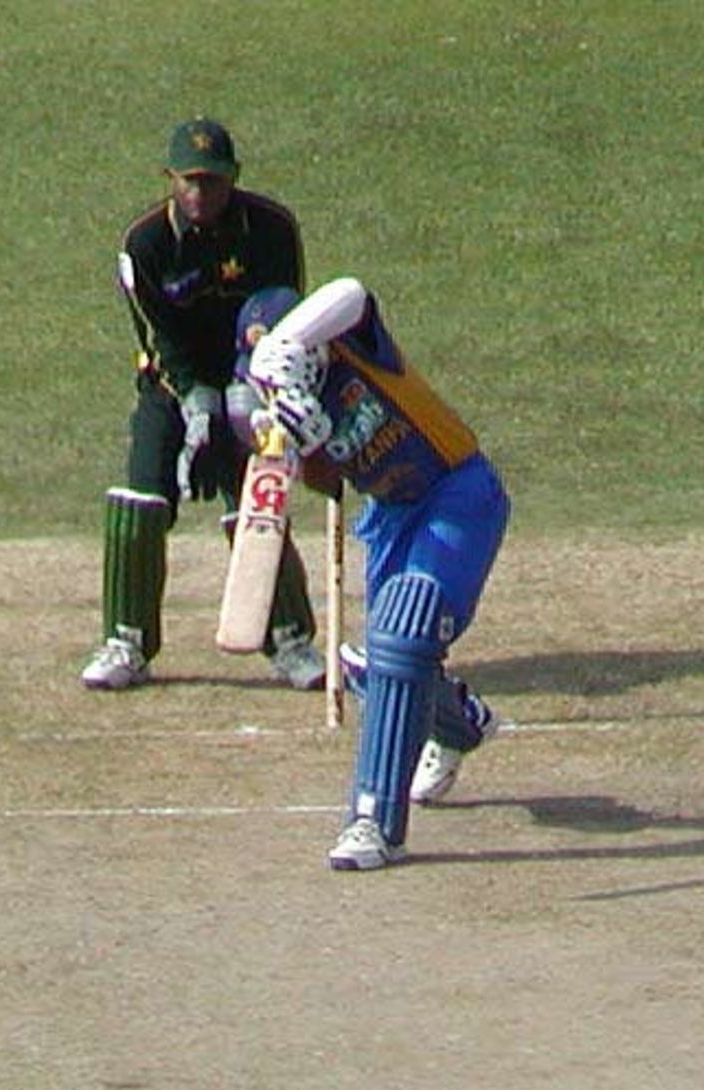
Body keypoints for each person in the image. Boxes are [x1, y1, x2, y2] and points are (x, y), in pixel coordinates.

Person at [241, 276, 510, 869]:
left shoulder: (358, 341)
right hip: (390, 518)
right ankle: (459, 723)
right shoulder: (272, 402)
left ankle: (374, 823)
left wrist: (281, 346)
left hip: (457, 492)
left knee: (400, 636)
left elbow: (352, 290)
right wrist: (296, 443)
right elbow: (325, 481)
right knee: (380, 663)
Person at [80, 117, 324, 692]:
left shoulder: (271, 229)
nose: (200, 193)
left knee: (257, 507)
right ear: (170, 179)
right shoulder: (145, 244)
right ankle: (126, 640)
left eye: (213, 181)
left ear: (233, 178)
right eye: (189, 181)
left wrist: (250, 390)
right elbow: (155, 337)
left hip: (252, 386)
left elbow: (286, 315)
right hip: (173, 389)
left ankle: (291, 640)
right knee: (141, 500)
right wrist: (196, 401)